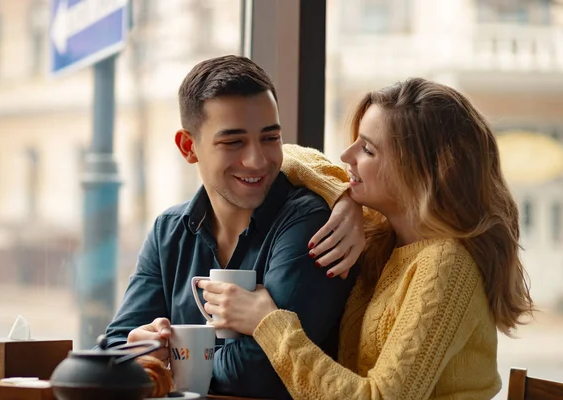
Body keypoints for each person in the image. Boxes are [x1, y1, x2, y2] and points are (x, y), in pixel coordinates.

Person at [198, 78, 535, 399]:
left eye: (368, 150)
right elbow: (289, 155)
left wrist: (267, 324)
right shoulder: (384, 235)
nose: (347, 156)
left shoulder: (446, 264)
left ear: (422, 173)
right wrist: (342, 195)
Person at [104, 55, 366, 399]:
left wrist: (169, 365)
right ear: (188, 147)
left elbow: (261, 372)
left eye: (270, 138)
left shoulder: (311, 222)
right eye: (233, 142)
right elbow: (114, 349)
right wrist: (141, 349)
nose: (257, 160)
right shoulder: (169, 231)